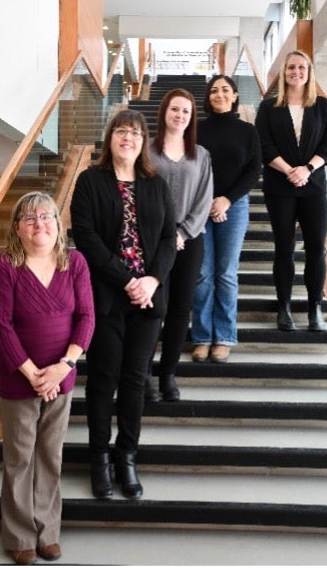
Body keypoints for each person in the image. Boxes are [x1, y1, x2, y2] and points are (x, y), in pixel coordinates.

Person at [70, 109, 176, 500]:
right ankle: (99, 455)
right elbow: (86, 239)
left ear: (143, 141)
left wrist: (150, 280)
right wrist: (129, 280)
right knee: (102, 379)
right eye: (121, 131)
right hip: (107, 298)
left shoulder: (156, 184)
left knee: (134, 381)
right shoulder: (89, 181)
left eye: (134, 132)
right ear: (109, 137)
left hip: (148, 299)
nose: (127, 138)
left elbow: (168, 239)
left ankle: (126, 455)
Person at [0, 192, 95, 566]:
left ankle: (48, 531)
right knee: (19, 459)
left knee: (50, 456)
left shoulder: (74, 262)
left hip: (61, 378)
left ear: (57, 223)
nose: (39, 224)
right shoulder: (3, 266)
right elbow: (1, 327)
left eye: (46, 216)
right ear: (17, 227)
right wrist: (33, 374)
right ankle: (19, 535)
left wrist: (64, 366)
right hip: (19, 381)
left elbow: (87, 318)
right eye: (30, 218)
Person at [255, 50, 327, 331]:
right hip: (280, 187)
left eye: (302, 67)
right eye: (291, 67)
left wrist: (306, 170)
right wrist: (289, 170)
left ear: (309, 72)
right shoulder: (268, 108)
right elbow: (263, 146)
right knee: (284, 249)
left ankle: (314, 307)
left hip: (313, 186)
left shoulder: (323, 106)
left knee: (315, 249)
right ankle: (285, 307)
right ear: (284, 72)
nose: (296, 72)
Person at [146, 88, 213, 401]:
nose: (180, 115)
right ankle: (144, 372)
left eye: (186, 111)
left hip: (189, 241)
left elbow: (204, 200)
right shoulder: (146, 151)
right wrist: (161, 234)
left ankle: (167, 375)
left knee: (178, 309)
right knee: (152, 308)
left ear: (191, 118)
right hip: (151, 241)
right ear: (164, 112)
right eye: (175, 109)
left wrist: (182, 233)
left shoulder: (200, 155)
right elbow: (138, 195)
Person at [191, 75, 262, 363]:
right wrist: (206, 200)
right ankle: (202, 336)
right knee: (203, 273)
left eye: (225, 90)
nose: (219, 94)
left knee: (226, 272)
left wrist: (226, 200)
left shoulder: (248, 131)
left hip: (234, 206)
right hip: (200, 207)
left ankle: (224, 337)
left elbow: (253, 169)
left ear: (234, 96)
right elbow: (189, 167)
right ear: (208, 98)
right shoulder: (195, 129)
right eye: (214, 91)